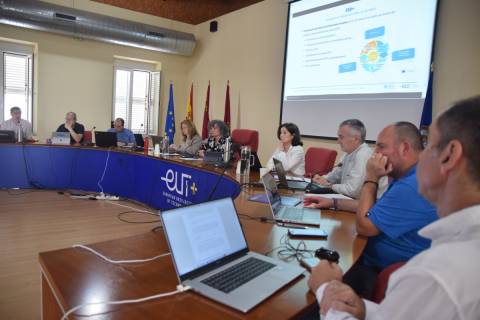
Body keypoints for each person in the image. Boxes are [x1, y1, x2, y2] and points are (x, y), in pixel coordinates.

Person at [308, 96, 480, 320]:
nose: (374, 153)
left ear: (450, 155)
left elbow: (366, 224)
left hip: (379, 272)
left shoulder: (433, 276)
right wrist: (367, 309)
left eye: (427, 146)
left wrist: (324, 288)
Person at [306, 121, 437, 298]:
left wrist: (371, 178)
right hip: (381, 264)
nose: (375, 153)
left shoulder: (412, 185)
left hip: (385, 275)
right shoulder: (413, 174)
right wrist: (333, 203)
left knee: (309, 285)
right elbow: (377, 208)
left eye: (381, 147)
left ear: (404, 148)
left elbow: (365, 226)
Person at [311, 119, 387, 199]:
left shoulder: (363, 155)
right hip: (349, 200)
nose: (338, 141)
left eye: (341, 137)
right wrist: (322, 178)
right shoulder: (348, 154)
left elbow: (353, 191)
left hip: (363, 205)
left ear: (356, 138)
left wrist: (330, 186)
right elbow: (336, 175)